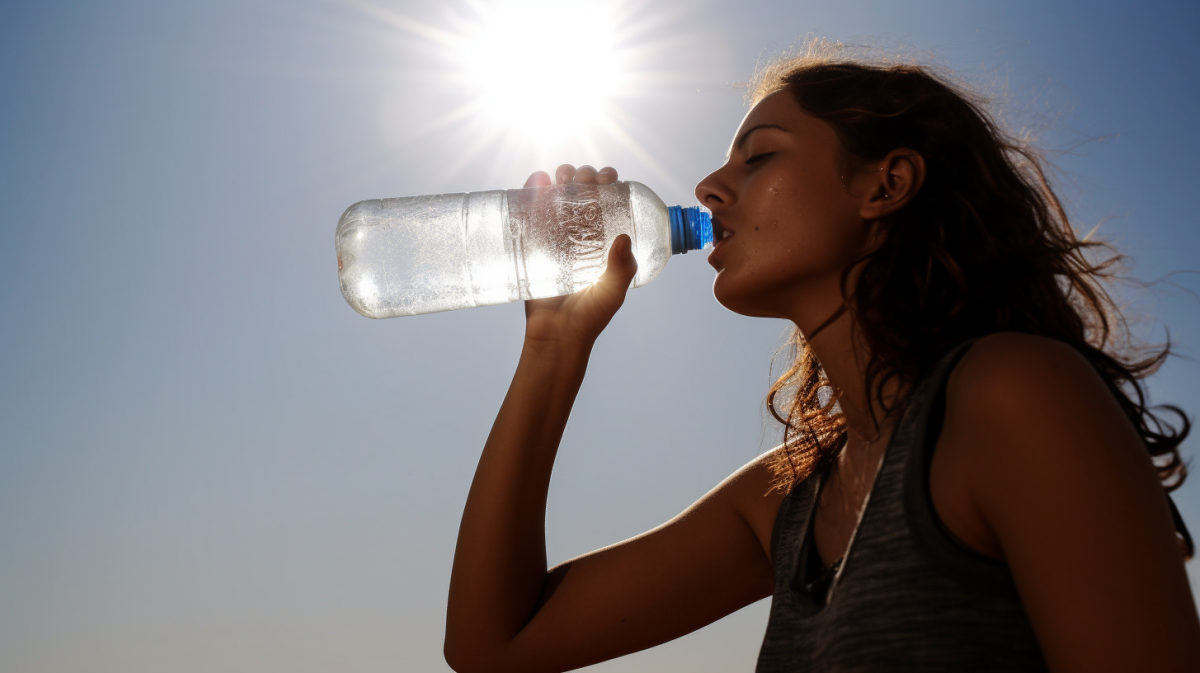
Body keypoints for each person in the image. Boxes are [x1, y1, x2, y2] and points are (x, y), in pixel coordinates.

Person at [443, 43, 1200, 672]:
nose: (708, 188)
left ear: (887, 184)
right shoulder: (789, 495)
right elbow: (491, 644)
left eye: (759, 156)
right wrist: (552, 348)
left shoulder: (1011, 392)